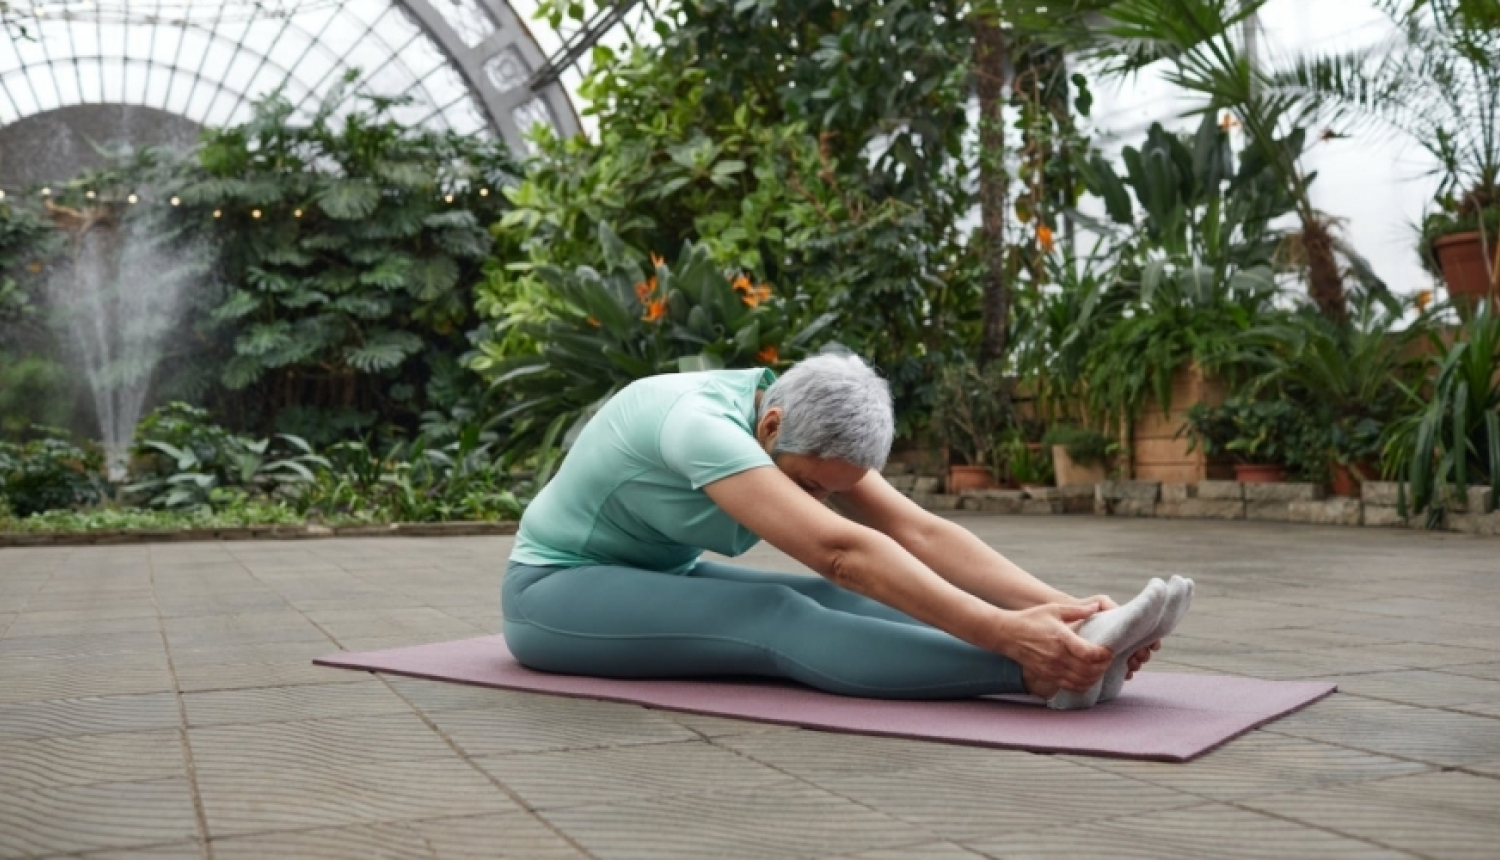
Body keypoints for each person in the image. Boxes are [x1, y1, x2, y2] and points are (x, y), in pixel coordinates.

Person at [503, 352, 1180, 705]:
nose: (818, 500)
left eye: (831, 490)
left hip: (654, 576)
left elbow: (920, 533)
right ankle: (1033, 675)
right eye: (808, 485)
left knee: (839, 601)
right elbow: (840, 552)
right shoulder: (698, 426)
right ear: (771, 426)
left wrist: (1065, 610)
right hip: (553, 591)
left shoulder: (799, 429)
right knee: (780, 611)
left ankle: (1068, 649)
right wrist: (1006, 635)